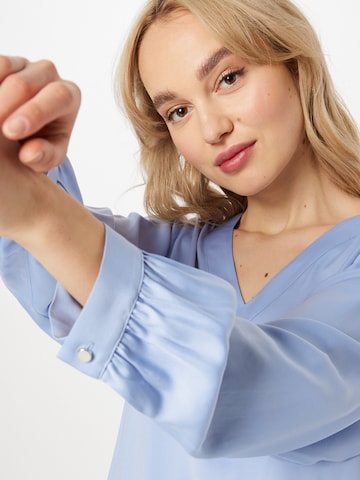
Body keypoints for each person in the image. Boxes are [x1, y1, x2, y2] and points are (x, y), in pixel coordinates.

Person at [1, 0, 360, 478]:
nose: (213, 129)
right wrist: (23, 148)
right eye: (179, 110)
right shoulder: (171, 256)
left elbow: (248, 390)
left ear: (295, 65)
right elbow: (41, 256)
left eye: (228, 78)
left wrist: (42, 213)